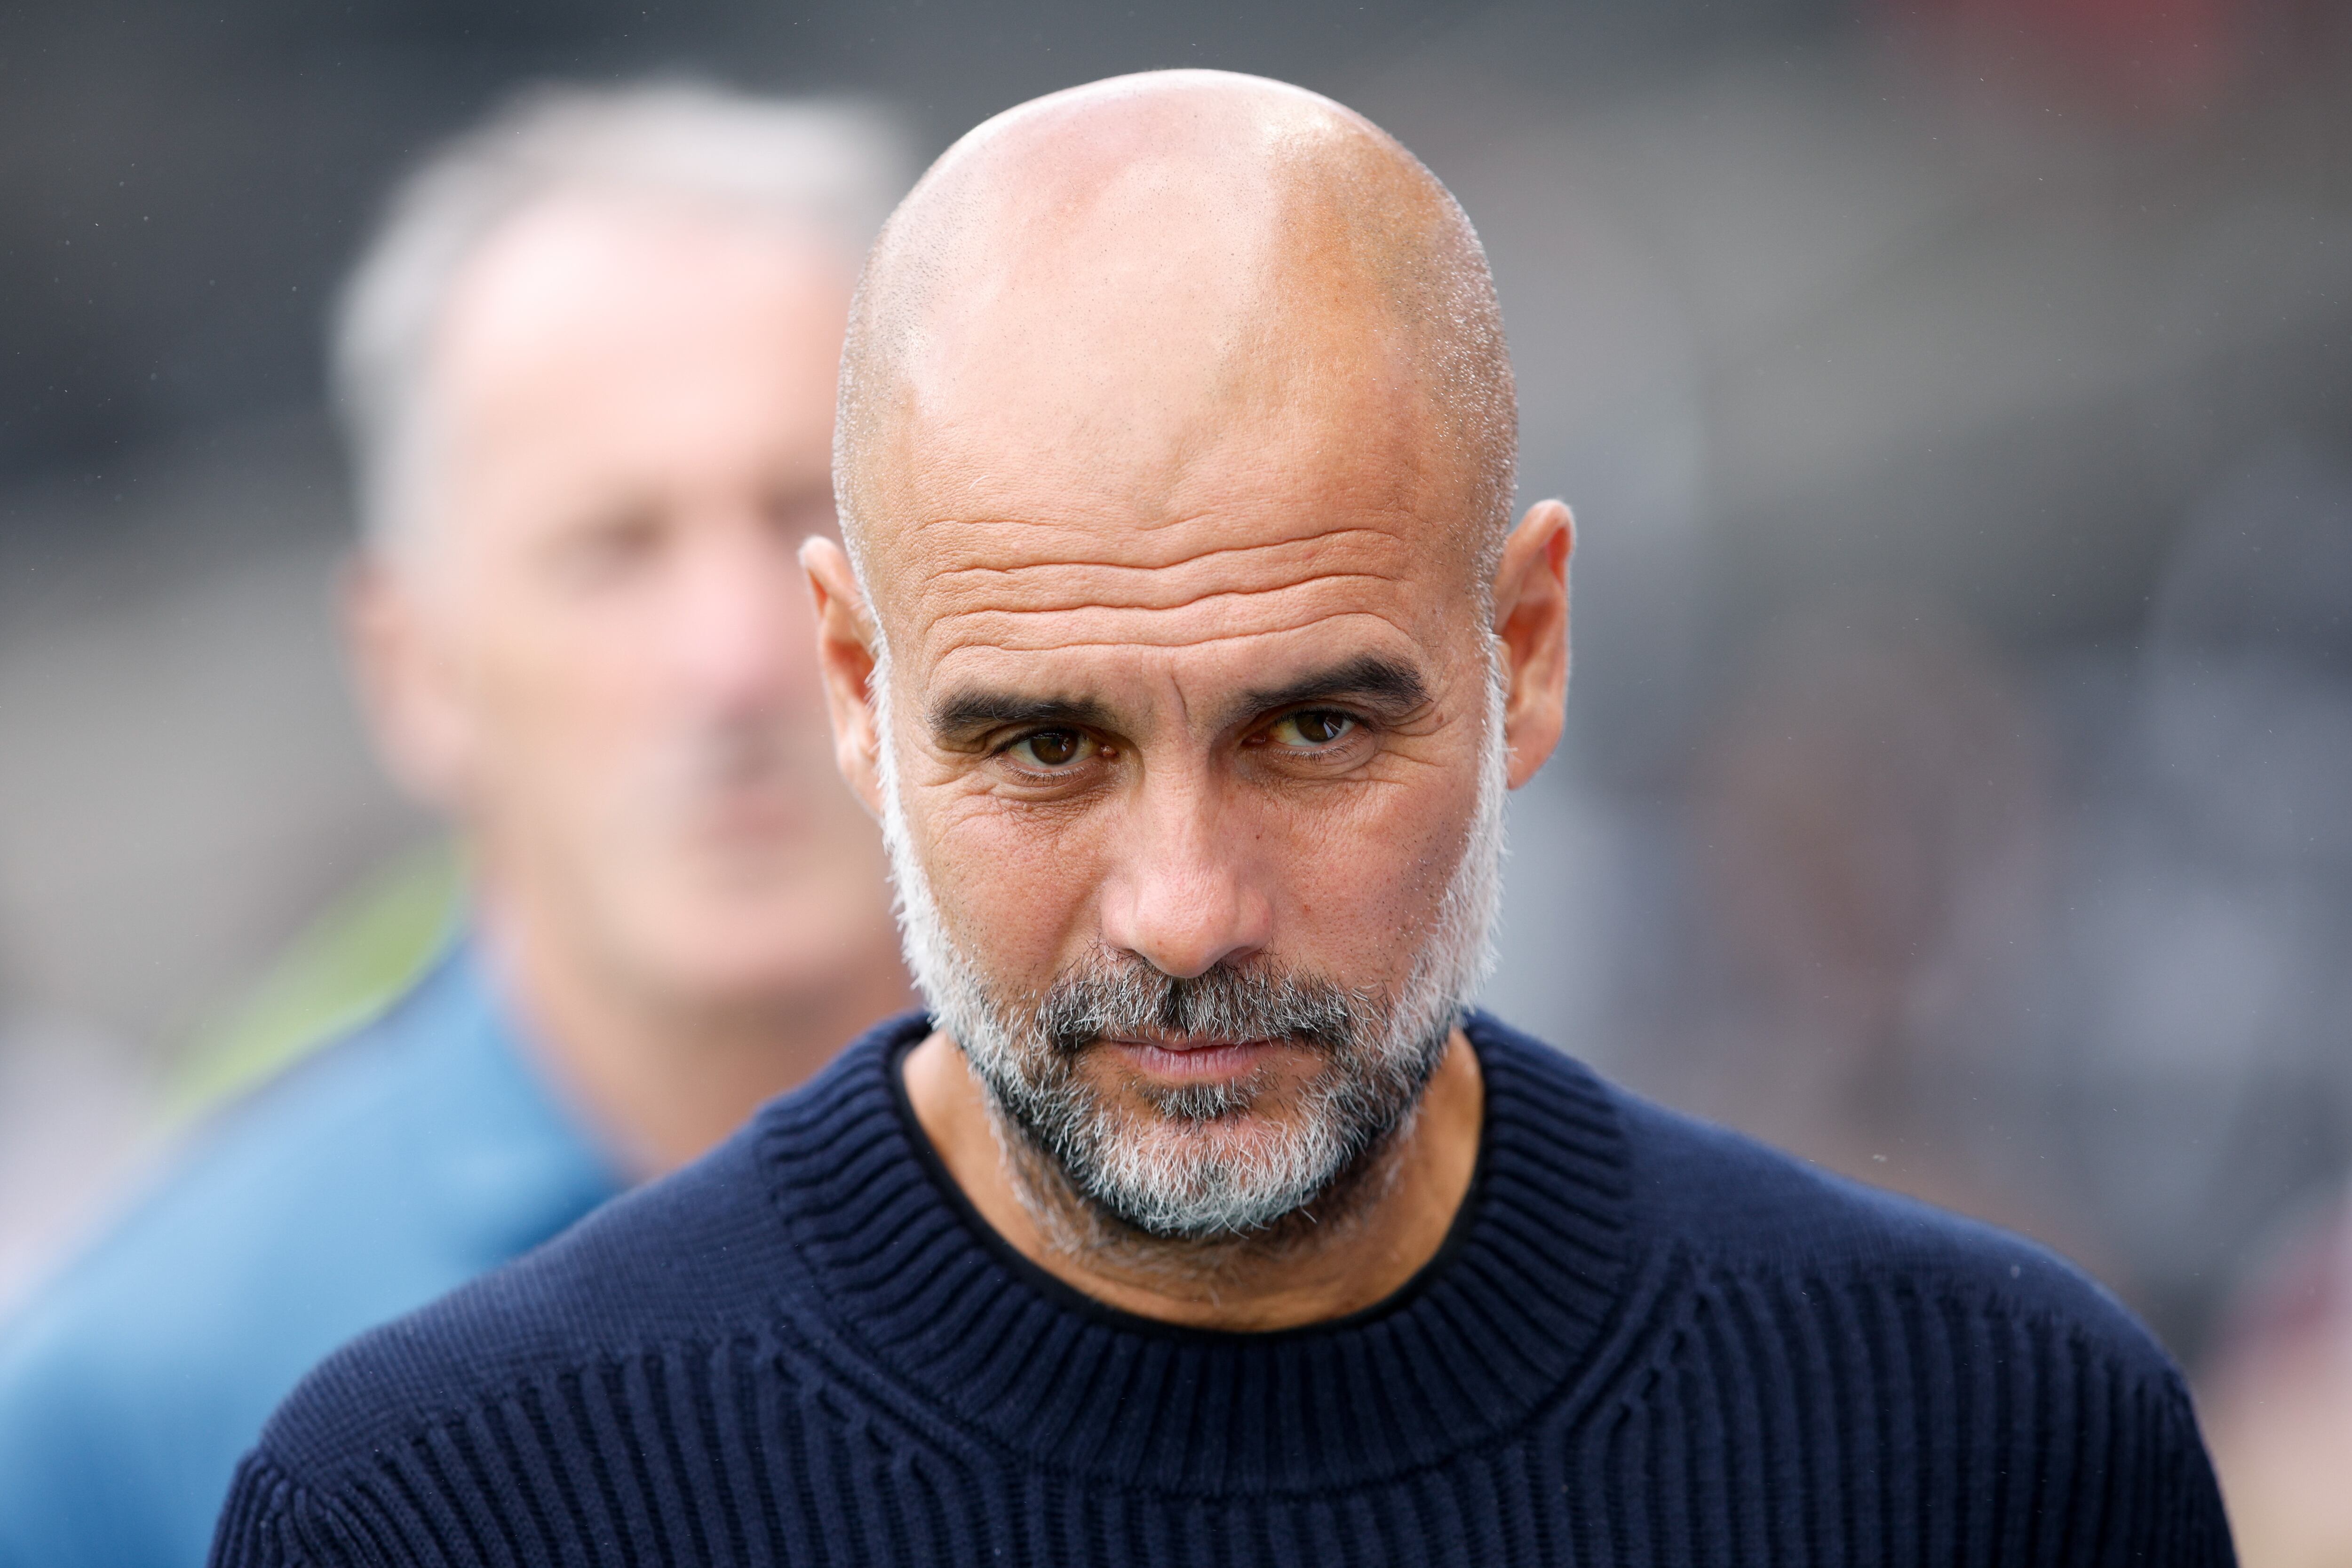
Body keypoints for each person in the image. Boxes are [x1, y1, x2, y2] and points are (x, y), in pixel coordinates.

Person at [213, 71, 2234, 1566]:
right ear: (856, 689)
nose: (1183, 912)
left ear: (1525, 652)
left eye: (1312, 732)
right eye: (1045, 748)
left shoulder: (1983, 1449)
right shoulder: (451, 1511)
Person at [0, 82, 913, 1567]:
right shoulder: (138, 1405)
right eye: (610, 550)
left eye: (808, 517)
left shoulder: (1223, 1173)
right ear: (411, 665)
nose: (738, 657)